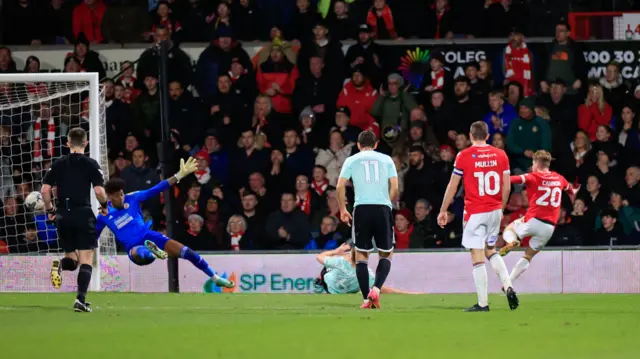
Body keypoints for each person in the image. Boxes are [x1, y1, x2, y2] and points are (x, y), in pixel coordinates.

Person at [97, 157, 235, 293]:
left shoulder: (132, 197)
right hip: (133, 247)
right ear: (109, 197)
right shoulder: (104, 215)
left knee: (188, 253)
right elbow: (93, 236)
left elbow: (156, 188)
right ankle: (152, 253)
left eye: (121, 194)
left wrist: (179, 175)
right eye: (116, 196)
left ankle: (215, 278)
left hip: (149, 236)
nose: (121, 197)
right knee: (138, 252)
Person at [437, 121, 518, 312]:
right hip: (495, 210)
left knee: (477, 256)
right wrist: (501, 208)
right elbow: (507, 187)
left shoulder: (464, 156)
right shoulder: (501, 155)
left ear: (471, 136)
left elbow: (453, 185)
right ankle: (508, 286)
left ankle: (483, 304)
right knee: (491, 250)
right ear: (488, 136)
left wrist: (443, 209)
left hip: (475, 212)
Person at [41, 128, 108, 313]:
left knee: (72, 259)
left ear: (68, 143)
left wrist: (49, 210)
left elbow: (45, 190)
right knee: (86, 259)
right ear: (86, 143)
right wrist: (104, 206)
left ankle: (60, 264)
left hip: (63, 215)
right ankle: (80, 299)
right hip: (83, 214)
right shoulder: (91, 164)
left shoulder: (58, 164)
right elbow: (99, 192)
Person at [336, 130, 399, 309]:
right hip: (382, 208)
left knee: (361, 255)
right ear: (376, 144)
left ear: (358, 144)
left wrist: (342, 209)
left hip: (361, 209)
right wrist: (387, 202)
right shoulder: (386, 159)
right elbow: (394, 186)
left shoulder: (351, 160)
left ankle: (366, 299)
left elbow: (340, 186)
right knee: (386, 253)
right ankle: (376, 290)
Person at [500, 150, 579, 284]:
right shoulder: (559, 178)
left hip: (534, 219)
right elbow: (571, 189)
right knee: (529, 255)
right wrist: (575, 189)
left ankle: (511, 241)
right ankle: (508, 282)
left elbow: (512, 180)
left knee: (509, 230)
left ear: (536, 162)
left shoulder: (533, 176)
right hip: (549, 227)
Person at [315, 242, 418, 295]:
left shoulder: (340, 262)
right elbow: (381, 288)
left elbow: (319, 257)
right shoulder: (368, 274)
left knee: (331, 261)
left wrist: (336, 251)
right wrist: (404, 293)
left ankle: (321, 276)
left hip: (329, 286)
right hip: (342, 290)